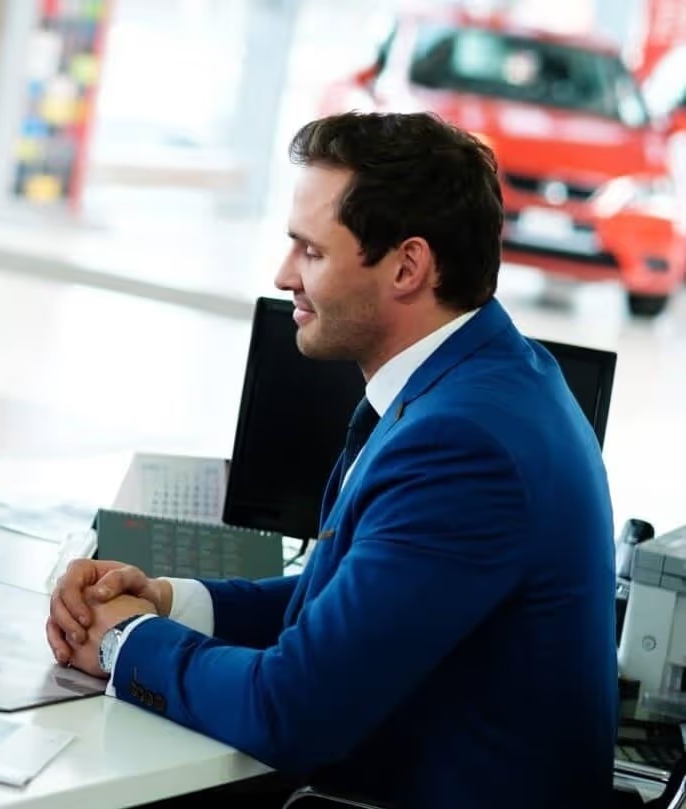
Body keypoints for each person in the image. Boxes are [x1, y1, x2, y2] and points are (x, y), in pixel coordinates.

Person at [46, 112, 615, 807]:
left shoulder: (467, 445)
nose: (285, 273)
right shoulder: (488, 377)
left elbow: (292, 712)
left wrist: (123, 642)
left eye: (310, 251)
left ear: (408, 265)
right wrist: (169, 600)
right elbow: (347, 601)